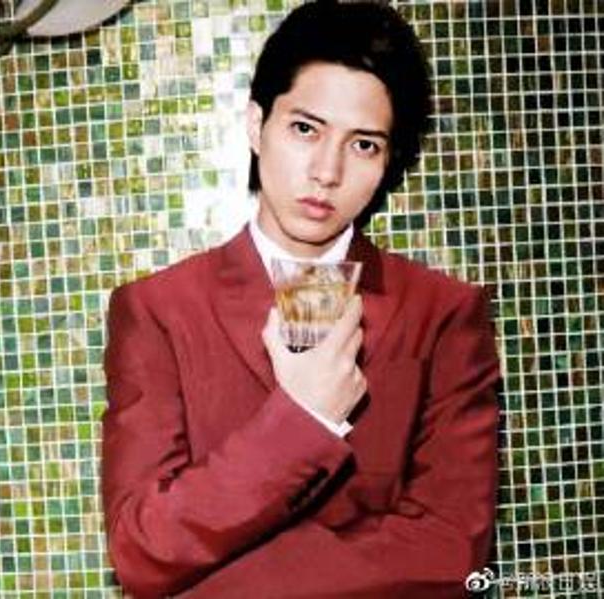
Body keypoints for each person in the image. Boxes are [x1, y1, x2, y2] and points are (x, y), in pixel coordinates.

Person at [102, 1, 500, 597]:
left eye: (363, 145)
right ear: (255, 124)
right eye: (305, 129)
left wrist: (211, 574)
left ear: (388, 161)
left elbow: (452, 551)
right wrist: (305, 419)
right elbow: (141, 549)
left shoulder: (443, 314)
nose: (326, 171)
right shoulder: (158, 311)